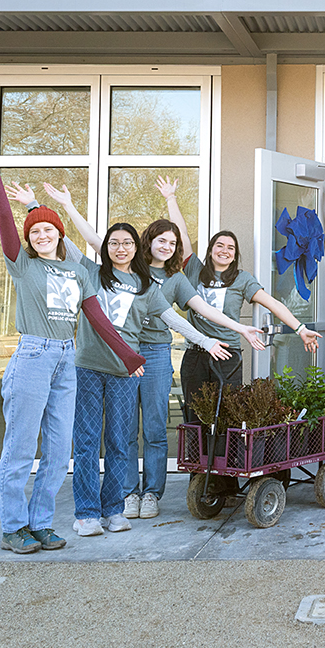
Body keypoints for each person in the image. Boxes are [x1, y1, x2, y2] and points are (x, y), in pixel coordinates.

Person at [41, 181, 265, 521]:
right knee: (125, 428)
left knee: (156, 428)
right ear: (147, 241)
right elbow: (89, 242)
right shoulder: (130, 268)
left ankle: (152, 494)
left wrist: (233, 330)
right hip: (122, 352)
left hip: (157, 353)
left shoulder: (174, 279)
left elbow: (191, 313)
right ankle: (129, 492)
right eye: (161, 239)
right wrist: (65, 207)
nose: (167, 245)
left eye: (172, 242)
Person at [0, 140, 141, 555]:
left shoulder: (76, 269)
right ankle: (14, 527)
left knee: (57, 448)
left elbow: (98, 319)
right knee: (19, 448)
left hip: (67, 359)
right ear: (29, 239)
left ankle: (42, 524)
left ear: (59, 234)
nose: (42, 234)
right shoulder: (22, 261)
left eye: (49, 229)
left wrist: (129, 356)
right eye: (36, 231)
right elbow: (3, 214)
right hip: (33, 355)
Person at [181, 228, 320, 417]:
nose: (224, 251)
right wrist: (171, 198)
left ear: (235, 255)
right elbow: (183, 235)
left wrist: (300, 329)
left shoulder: (242, 279)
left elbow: (272, 303)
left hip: (226, 355)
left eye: (230, 248)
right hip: (196, 355)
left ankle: (222, 449)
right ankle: (197, 449)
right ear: (210, 250)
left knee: (227, 417)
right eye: (219, 245)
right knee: (194, 416)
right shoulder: (194, 270)